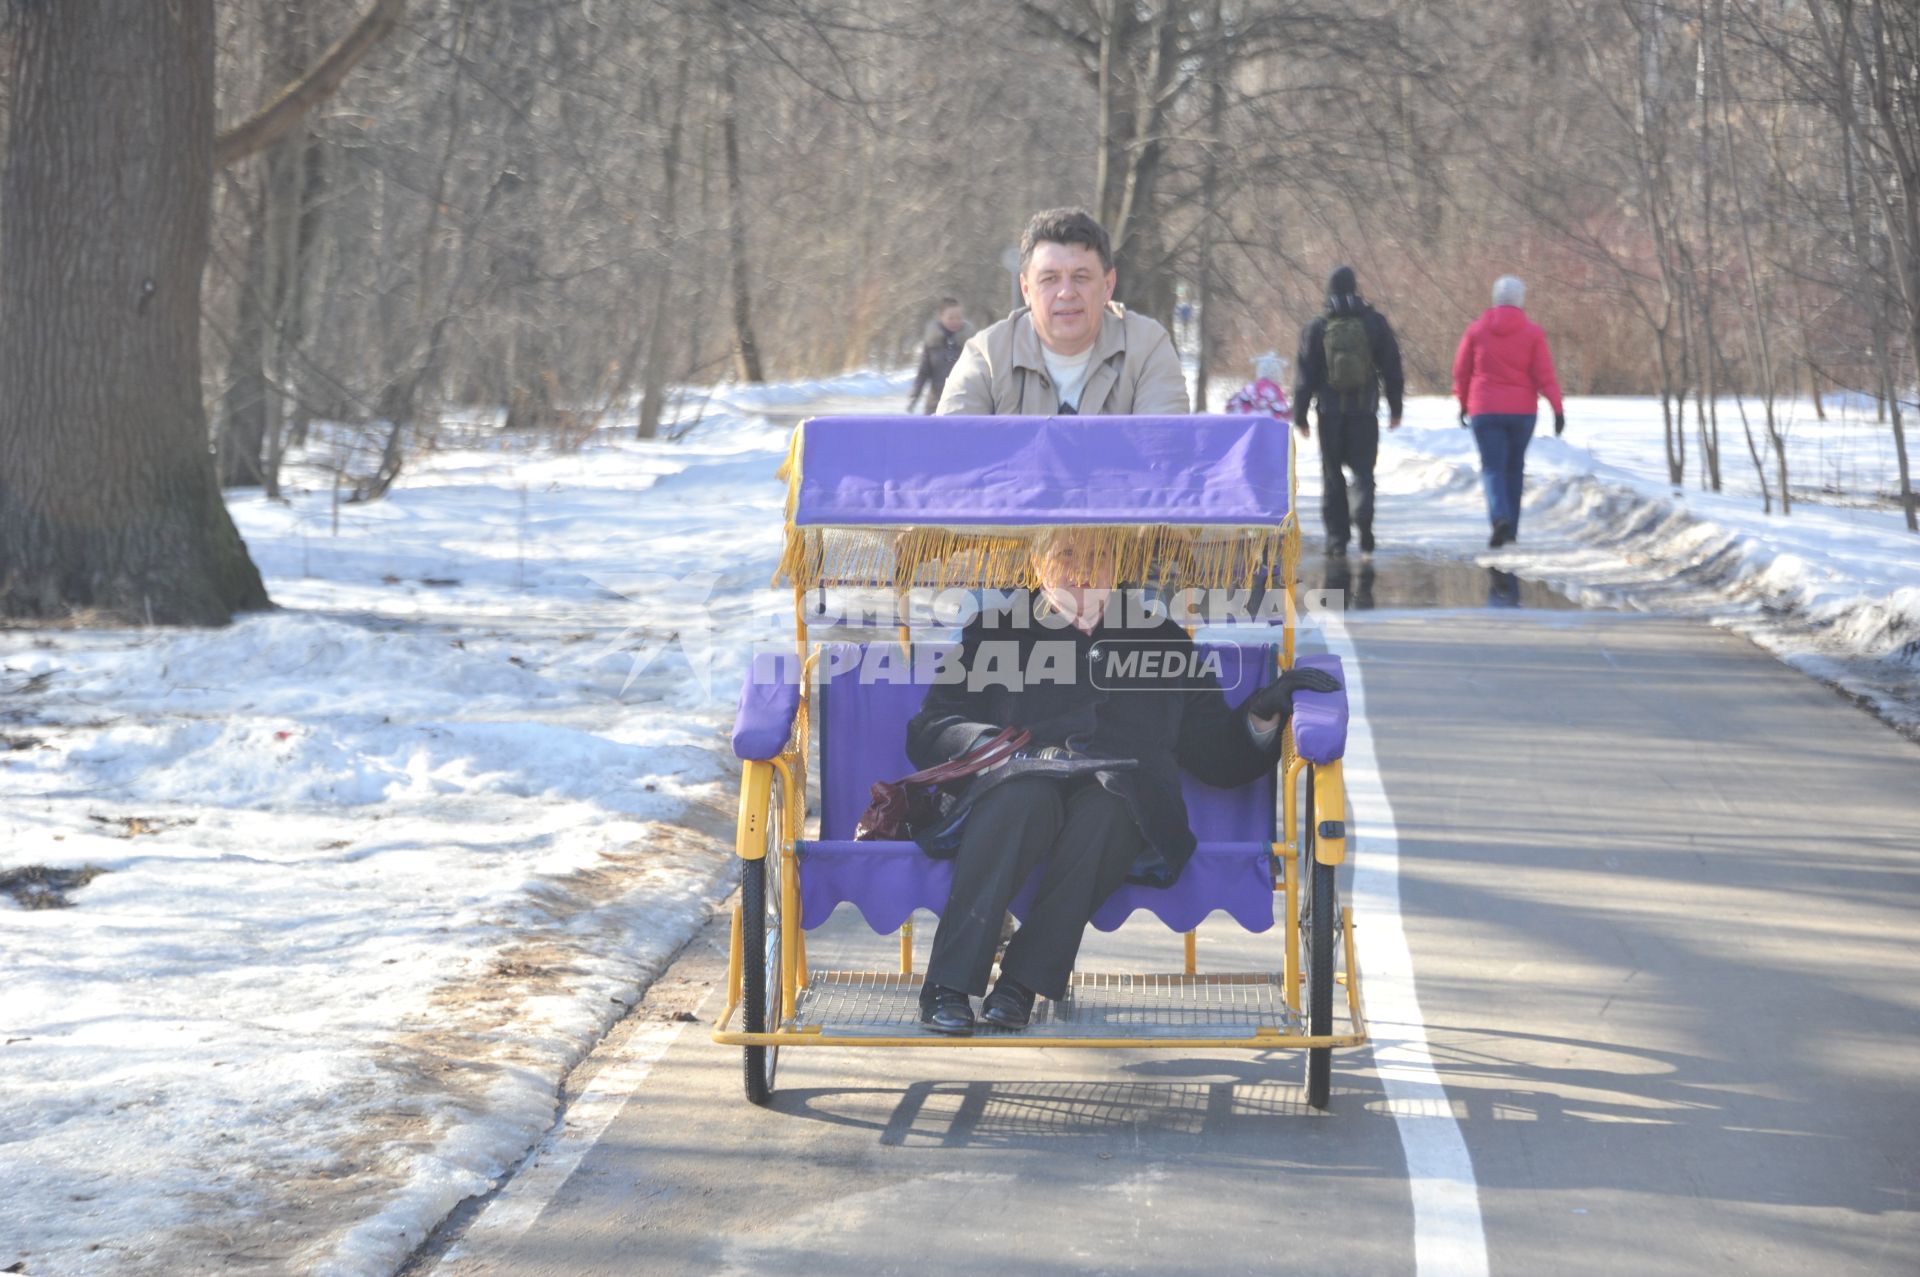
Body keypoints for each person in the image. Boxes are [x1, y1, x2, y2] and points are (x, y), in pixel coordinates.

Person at [906, 532, 1340, 1034]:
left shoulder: (1161, 639)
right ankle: (947, 984)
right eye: (1067, 554)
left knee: (1114, 807)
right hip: (1019, 782)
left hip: (1122, 794)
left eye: (1099, 555)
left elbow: (1216, 755)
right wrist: (996, 747)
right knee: (1023, 797)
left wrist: (1263, 713)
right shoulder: (997, 632)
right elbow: (932, 726)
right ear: (1037, 563)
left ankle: (1021, 983)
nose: (1083, 568)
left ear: (1120, 564)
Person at [937, 208, 1188, 416]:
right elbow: (952, 459)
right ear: (1026, 289)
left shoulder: (1147, 348)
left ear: (1108, 285)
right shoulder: (987, 356)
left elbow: (1163, 457)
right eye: (1049, 279)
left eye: (1081, 277)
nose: (1066, 293)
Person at [1291, 266, 1405, 558]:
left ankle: (1337, 539)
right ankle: (1363, 516)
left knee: (1332, 476)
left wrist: (1301, 415)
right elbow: (1392, 366)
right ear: (1356, 288)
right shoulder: (1374, 322)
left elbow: (1305, 373)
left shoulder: (1317, 326)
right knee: (1363, 471)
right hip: (1365, 412)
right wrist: (1395, 406)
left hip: (1329, 413)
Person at [1452, 275, 1565, 548]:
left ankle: (1499, 517)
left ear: (1495, 298)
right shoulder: (1533, 334)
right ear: (1520, 300)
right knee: (1514, 468)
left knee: (1492, 468)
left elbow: (1461, 370)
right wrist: (1557, 409)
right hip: (1522, 412)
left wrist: (1464, 402)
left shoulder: (1476, 331)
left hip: (1485, 409)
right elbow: (1544, 374)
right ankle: (1511, 529)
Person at [906, 298, 971, 414]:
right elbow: (923, 372)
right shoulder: (932, 344)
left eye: (959, 317)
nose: (955, 321)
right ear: (941, 317)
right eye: (951, 318)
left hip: (963, 403)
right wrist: (914, 396)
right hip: (936, 403)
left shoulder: (971, 344)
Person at [1225, 352, 1291, 422]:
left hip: (1245, 424)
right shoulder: (1275, 391)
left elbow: (1234, 408)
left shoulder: (1250, 388)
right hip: (1267, 427)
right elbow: (1281, 412)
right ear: (1278, 374)